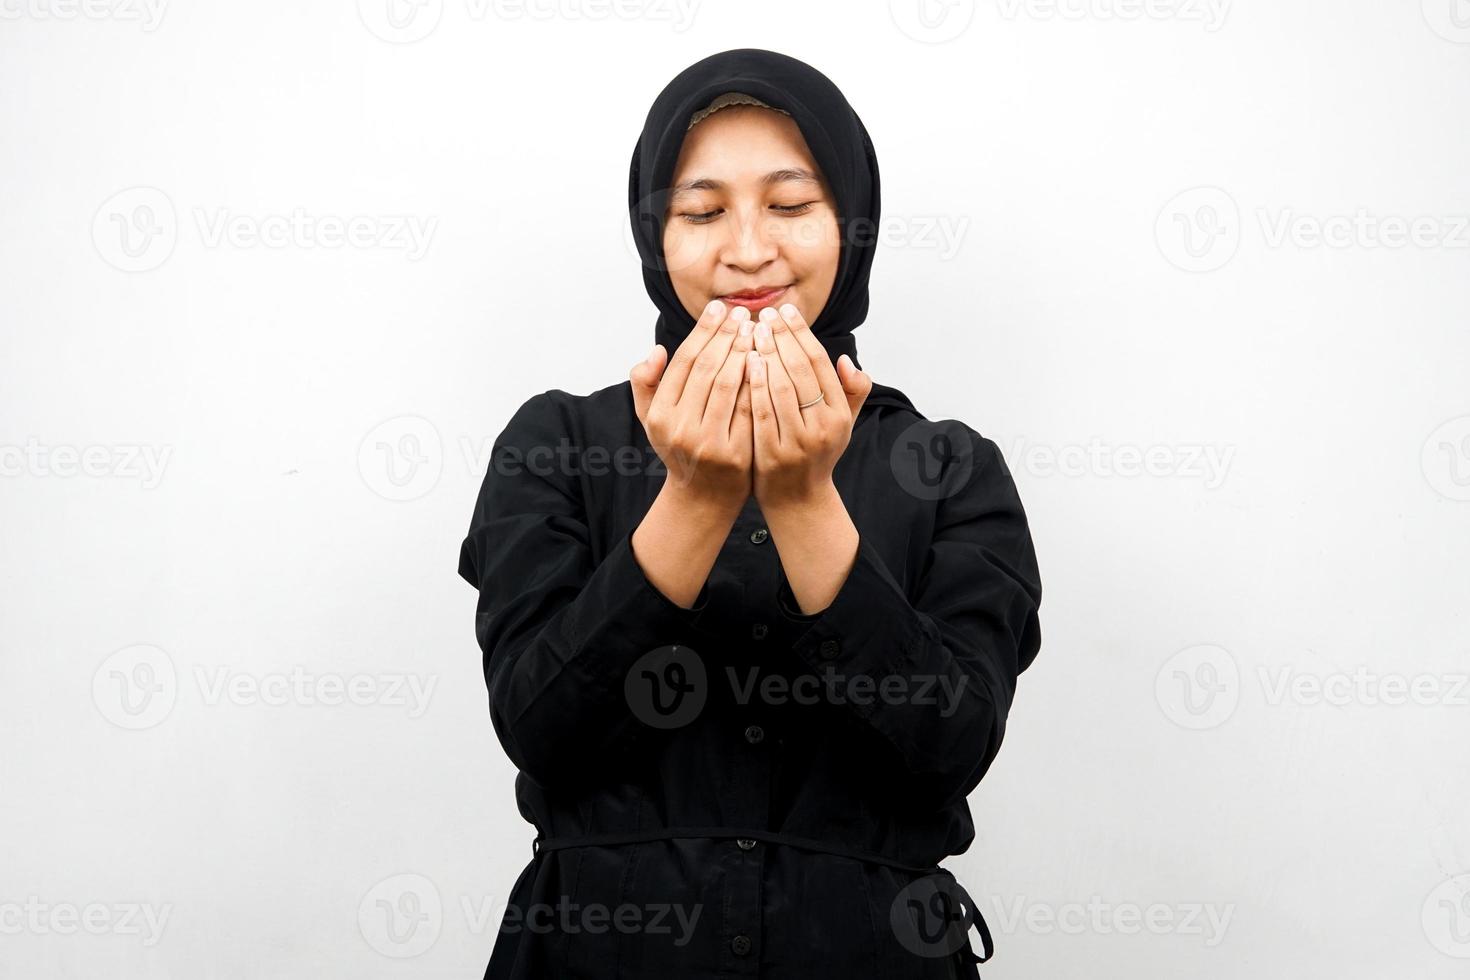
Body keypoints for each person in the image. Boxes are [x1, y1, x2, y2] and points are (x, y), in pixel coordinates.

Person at [456, 47, 1043, 980]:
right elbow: (541, 729)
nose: (747, 249)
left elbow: (948, 746)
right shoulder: (559, 441)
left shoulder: (947, 466)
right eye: (702, 212)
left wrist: (804, 499)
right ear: (657, 233)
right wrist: (695, 495)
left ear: (851, 224)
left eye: (792, 205)